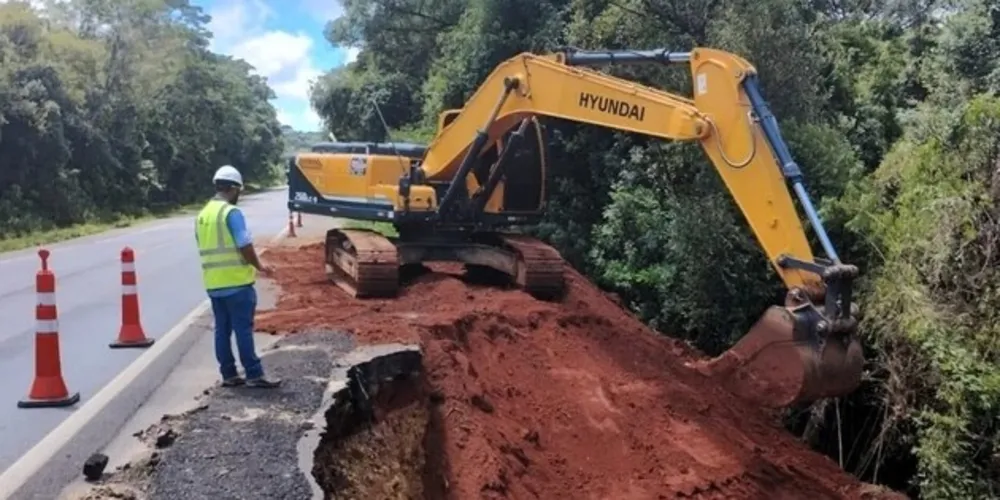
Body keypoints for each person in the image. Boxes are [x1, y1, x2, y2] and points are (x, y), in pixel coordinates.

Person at [194, 165, 281, 388]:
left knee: (222, 330)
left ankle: (229, 374)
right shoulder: (231, 213)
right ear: (233, 189)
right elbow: (244, 244)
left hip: (214, 284)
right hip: (237, 283)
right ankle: (254, 374)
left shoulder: (202, 215)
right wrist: (259, 266)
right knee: (243, 329)